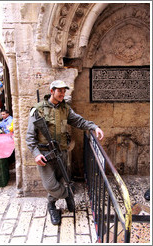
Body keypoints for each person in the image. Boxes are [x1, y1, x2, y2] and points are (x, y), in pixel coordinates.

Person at [26, 80, 104, 225]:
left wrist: (94, 126)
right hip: (45, 155)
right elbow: (30, 137)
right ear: (52, 91)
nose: (62, 93)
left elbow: (79, 121)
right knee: (50, 185)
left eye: (64, 91)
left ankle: (51, 206)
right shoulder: (38, 110)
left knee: (61, 179)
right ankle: (68, 194)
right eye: (59, 90)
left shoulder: (65, 109)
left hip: (61, 153)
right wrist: (36, 154)